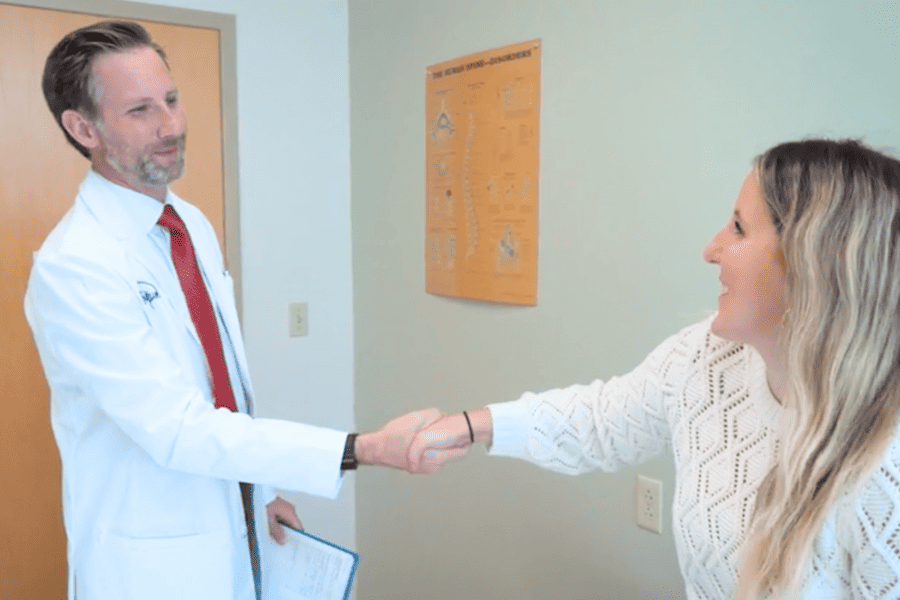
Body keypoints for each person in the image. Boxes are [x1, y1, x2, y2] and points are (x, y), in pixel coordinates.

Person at [26, 21, 443, 600]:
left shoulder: (189, 224)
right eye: (141, 110)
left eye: (171, 99)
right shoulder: (73, 265)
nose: (171, 125)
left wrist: (261, 490)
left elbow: (221, 382)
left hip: (234, 524)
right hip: (149, 561)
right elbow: (176, 427)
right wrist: (361, 448)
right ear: (83, 128)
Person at [408, 138, 900, 599]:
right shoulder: (708, 356)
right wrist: (470, 425)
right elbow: (601, 420)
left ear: (813, 266)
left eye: (738, 228)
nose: (711, 250)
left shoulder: (886, 463)